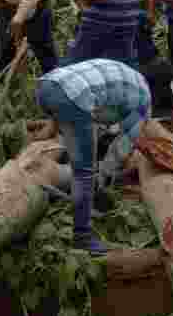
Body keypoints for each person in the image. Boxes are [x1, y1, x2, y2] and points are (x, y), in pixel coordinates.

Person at [35, 59, 152, 255]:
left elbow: (98, 121)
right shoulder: (142, 106)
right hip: (73, 95)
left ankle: (44, 180)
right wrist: (104, 175)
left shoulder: (128, 81)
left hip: (46, 85)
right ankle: (82, 236)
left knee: (75, 140)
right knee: (84, 172)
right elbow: (122, 148)